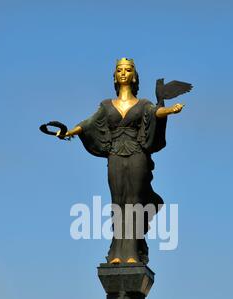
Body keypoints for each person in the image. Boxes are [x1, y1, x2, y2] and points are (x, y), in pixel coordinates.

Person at [57, 58, 184, 264]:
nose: (123, 73)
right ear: (115, 76)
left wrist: (169, 110)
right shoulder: (107, 105)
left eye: (127, 70)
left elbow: (154, 112)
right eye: (119, 70)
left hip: (137, 156)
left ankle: (132, 252)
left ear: (134, 76)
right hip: (115, 155)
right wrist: (69, 132)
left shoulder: (142, 104)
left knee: (134, 202)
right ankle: (116, 252)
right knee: (118, 203)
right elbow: (89, 123)